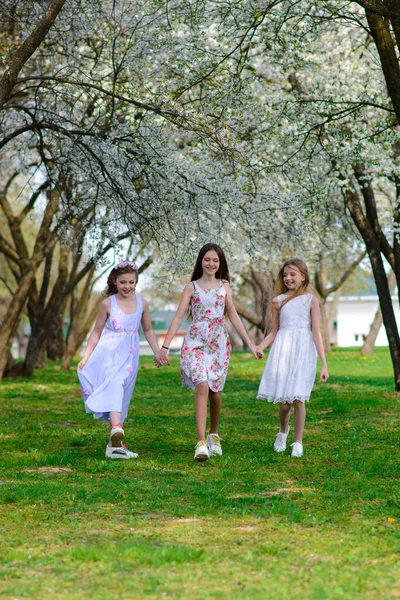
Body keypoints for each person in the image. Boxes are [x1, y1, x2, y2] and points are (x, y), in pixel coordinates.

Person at [158, 243, 259, 462]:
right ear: (201, 261)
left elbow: (233, 316)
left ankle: (214, 434)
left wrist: (250, 345)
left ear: (220, 263)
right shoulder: (191, 287)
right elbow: (177, 317)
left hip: (218, 343)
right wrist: (164, 347)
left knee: (215, 392)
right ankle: (200, 442)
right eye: (207, 259)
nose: (211, 263)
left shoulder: (225, 287)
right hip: (195, 342)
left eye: (215, 260)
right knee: (202, 385)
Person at [78, 261, 168, 459]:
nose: (127, 286)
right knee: (114, 384)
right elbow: (96, 332)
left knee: (122, 393)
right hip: (109, 351)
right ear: (115, 282)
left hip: (130, 353)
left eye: (131, 282)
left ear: (136, 282)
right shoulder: (107, 303)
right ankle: (116, 428)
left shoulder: (142, 303)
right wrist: (86, 356)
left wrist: (157, 352)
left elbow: (148, 330)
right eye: (122, 282)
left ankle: (114, 447)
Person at [256, 258, 328, 457]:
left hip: (303, 350)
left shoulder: (311, 300)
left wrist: (324, 363)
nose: (288, 278)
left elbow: (316, 333)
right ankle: (282, 431)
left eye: (292, 274)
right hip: (284, 350)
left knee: (298, 398)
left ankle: (298, 442)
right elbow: (273, 332)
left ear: (303, 276)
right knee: (285, 403)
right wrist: (260, 347)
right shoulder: (278, 301)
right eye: (285, 275)